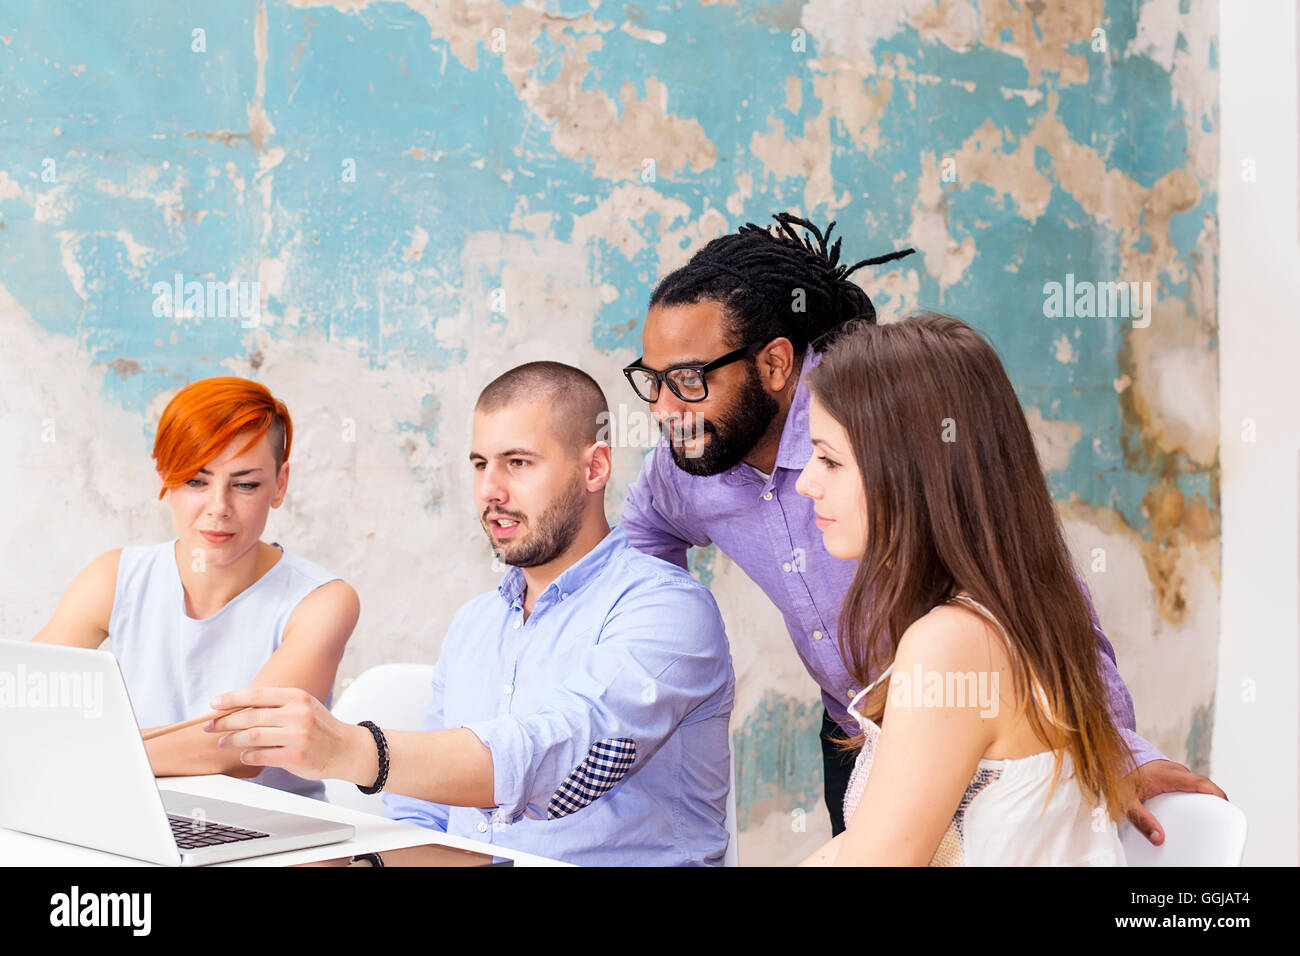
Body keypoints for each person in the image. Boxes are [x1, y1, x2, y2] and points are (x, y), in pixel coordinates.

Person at [619, 213, 1225, 844]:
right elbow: (643, 538)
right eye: (652, 382)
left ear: (774, 364)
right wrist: (662, 655)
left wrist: (1117, 747)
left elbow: (1035, 588)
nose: (664, 409)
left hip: (981, 736)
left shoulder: (873, 416)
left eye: (688, 381)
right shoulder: (690, 457)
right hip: (863, 734)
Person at [204, 362, 735, 866]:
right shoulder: (476, 624)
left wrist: (353, 749)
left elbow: (566, 757)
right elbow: (424, 814)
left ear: (594, 467)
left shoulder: (668, 609)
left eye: (518, 463)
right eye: (480, 464)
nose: (490, 491)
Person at [796, 313, 1143, 865]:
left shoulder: (953, 642)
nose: (805, 481)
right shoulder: (1017, 608)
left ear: (913, 471)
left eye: (830, 459)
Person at [34, 376, 359, 799]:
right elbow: (25, 697)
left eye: (245, 484)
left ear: (280, 484)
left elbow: (237, 750)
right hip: (139, 814)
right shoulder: (114, 578)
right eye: (196, 481)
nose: (218, 509)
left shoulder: (322, 601)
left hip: (277, 841)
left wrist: (79, 748)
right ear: (166, 478)